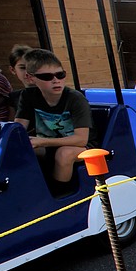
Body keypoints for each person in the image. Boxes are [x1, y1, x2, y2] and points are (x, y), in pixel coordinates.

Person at [14, 48, 93, 194]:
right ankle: (30, 192)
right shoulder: (28, 96)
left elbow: (81, 139)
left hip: (84, 146)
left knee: (64, 154)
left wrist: (42, 142)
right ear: (30, 78)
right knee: (19, 151)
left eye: (60, 75)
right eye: (47, 77)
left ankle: (60, 195)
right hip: (48, 143)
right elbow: (18, 127)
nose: (56, 80)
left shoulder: (75, 98)